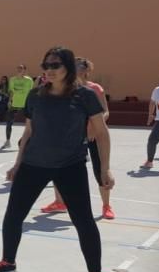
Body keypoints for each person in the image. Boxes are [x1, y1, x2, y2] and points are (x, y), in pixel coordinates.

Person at [0, 47, 114, 272]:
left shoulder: (85, 95)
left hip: (71, 166)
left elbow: (101, 132)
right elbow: (29, 132)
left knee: (84, 222)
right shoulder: (35, 96)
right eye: (46, 65)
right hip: (34, 165)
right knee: (13, 216)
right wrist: (17, 164)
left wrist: (105, 168)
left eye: (55, 65)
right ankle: (8, 262)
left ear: (68, 67)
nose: (49, 70)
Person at [39, 57, 115, 219]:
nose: (74, 68)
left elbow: (105, 112)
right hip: (71, 136)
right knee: (59, 168)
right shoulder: (65, 88)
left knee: (99, 169)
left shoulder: (95, 88)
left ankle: (106, 205)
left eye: (79, 65)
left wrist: (95, 127)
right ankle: (60, 202)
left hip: (93, 135)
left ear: (87, 70)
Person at [3, 64, 34, 149]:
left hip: (25, 105)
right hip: (14, 104)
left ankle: (30, 141)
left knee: (30, 124)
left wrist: (31, 103)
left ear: (25, 70)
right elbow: (12, 92)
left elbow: (31, 92)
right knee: (9, 123)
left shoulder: (29, 80)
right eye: (18, 68)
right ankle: (8, 141)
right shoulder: (12, 80)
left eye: (21, 68)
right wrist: (9, 101)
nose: (19, 69)